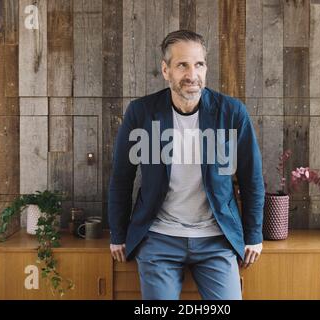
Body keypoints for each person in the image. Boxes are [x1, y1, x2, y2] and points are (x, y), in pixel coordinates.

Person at [108, 30, 265, 300]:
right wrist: (118, 233)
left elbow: (252, 178)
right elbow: (121, 179)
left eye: (199, 64)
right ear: (166, 70)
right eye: (182, 65)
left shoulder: (232, 112)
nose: (192, 74)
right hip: (158, 238)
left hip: (216, 239)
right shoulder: (141, 112)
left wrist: (254, 234)